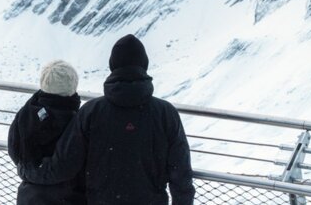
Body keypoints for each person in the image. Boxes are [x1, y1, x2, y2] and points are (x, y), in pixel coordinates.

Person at [19, 34, 195, 205]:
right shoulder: (166, 113)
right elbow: (181, 174)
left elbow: (63, 166)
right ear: (144, 65)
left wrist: (27, 170)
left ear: (112, 66)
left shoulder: (90, 113)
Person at [8, 60, 86, 205]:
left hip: (29, 197)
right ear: (72, 86)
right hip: (69, 198)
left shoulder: (26, 115)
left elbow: (15, 151)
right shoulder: (78, 122)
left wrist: (32, 172)